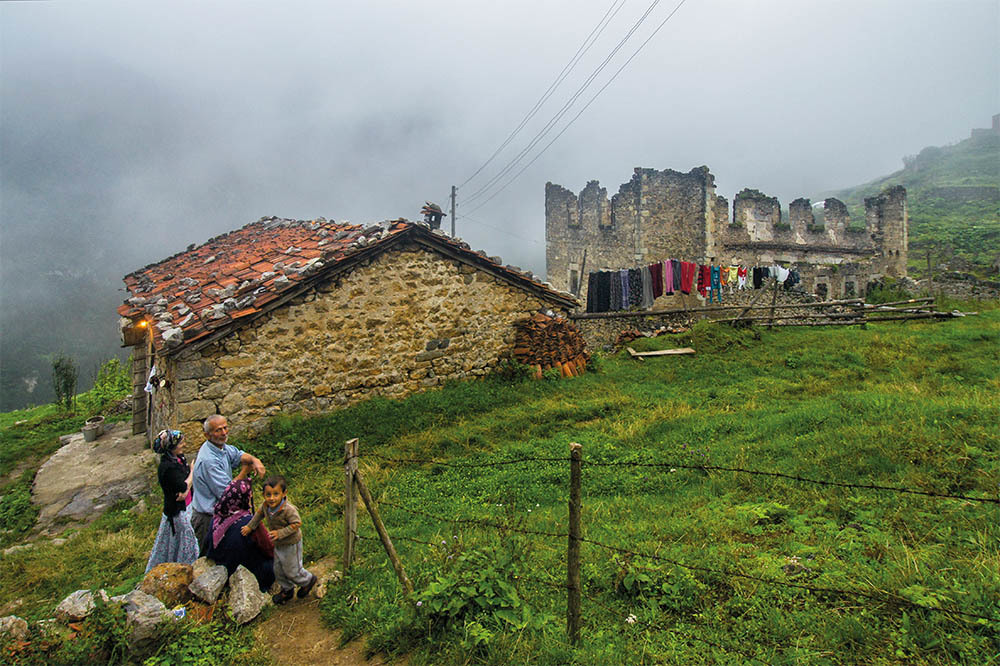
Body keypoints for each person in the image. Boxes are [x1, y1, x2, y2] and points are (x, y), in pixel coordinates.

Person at [190, 415, 266, 550]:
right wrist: (244, 471)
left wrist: (255, 460)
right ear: (207, 435)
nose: (224, 433)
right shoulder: (209, 461)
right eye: (218, 430)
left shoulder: (220, 447)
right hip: (208, 519)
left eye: (225, 428)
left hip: (222, 515)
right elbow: (228, 493)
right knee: (212, 560)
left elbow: (238, 455)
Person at [242, 475, 317, 604]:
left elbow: (297, 524)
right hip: (279, 544)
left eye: (276, 494)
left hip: (291, 543)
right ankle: (287, 590)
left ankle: (308, 580)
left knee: (292, 570)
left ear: (284, 493)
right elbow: (259, 515)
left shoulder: (288, 510)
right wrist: (250, 527)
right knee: (278, 569)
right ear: (264, 495)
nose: (272, 498)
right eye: (268, 495)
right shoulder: (266, 506)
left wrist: (280, 533)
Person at [204, 467, 275, 592]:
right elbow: (269, 549)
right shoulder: (250, 523)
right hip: (248, 571)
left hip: (223, 569)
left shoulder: (217, 518)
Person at [145, 429, 198, 572]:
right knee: (183, 541)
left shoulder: (178, 459)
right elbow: (183, 486)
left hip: (187, 505)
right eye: (181, 443)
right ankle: (184, 569)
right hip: (177, 512)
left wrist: (186, 488)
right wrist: (192, 472)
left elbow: (184, 488)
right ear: (172, 447)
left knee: (178, 542)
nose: (184, 444)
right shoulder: (167, 468)